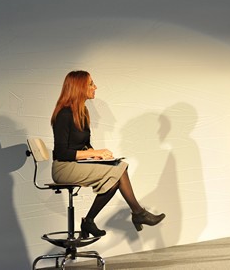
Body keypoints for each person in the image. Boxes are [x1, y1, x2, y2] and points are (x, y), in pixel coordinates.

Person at [50, 70, 165, 238]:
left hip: (77, 164)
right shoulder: (64, 114)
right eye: (91, 84)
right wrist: (95, 153)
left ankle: (90, 221)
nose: (95, 87)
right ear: (79, 87)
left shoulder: (82, 112)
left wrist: (96, 155)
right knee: (118, 171)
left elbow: (83, 145)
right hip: (63, 168)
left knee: (118, 170)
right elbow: (61, 152)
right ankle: (138, 213)